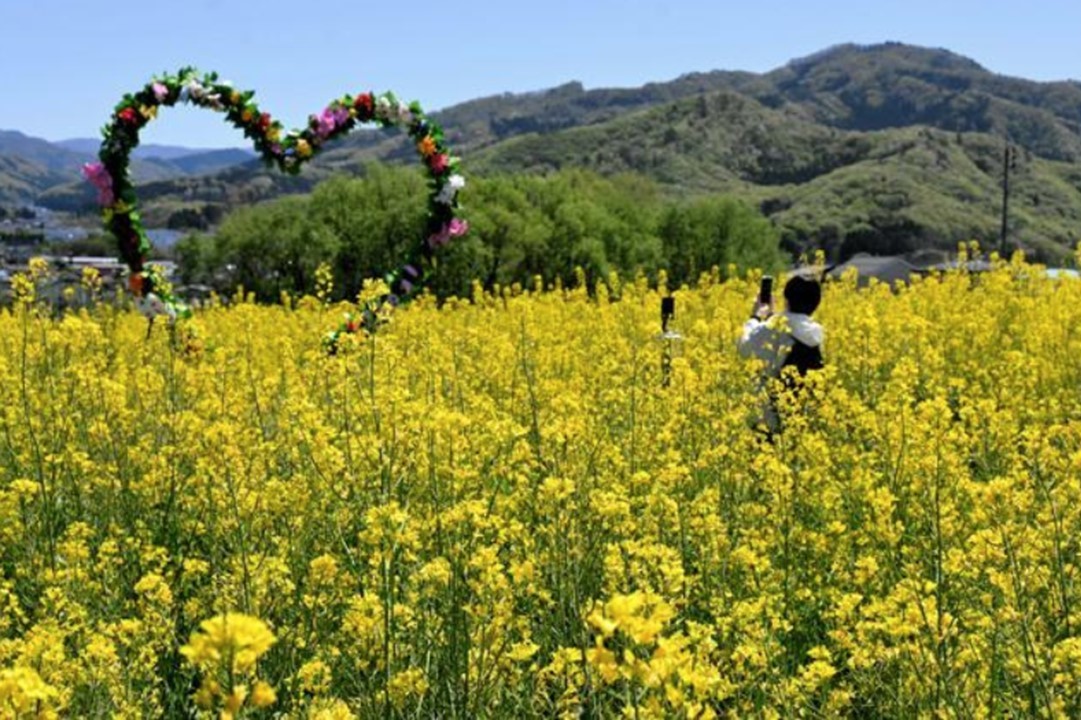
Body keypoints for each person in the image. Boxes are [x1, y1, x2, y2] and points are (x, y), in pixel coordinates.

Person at [738, 274, 824, 434]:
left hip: (769, 420)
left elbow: (745, 348)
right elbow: (789, 332)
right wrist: (773, 317)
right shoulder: (816, 333)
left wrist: (755, 316)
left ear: (786, 298)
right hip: (803, 421)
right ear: (816, 304)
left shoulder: (774, 329)